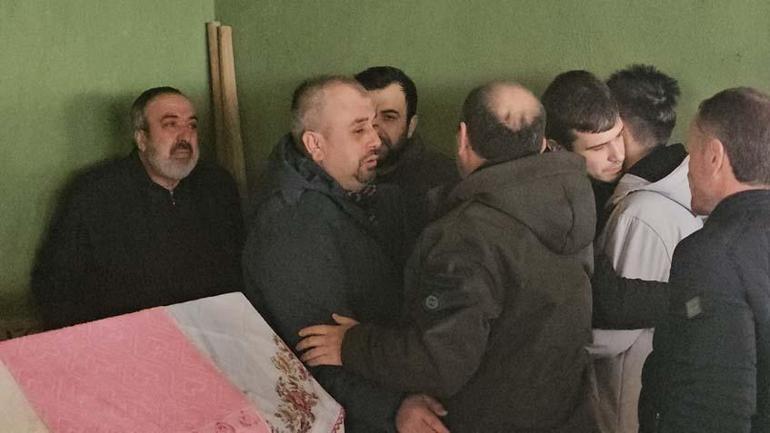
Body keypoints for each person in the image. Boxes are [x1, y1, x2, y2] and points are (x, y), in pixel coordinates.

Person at [297, 81, 599, 432]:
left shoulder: (468, 234)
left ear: (463, 138)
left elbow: (440, 361)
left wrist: (353, 345)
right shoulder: (572, 197)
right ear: (543, 141)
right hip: (566, 413)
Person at [241, 75, 448, 433]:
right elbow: (313, 355)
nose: (375, 140)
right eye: (358, 130)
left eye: (374, 125)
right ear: (315, 145)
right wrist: (394, 409)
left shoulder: (356, 191)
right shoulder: (292, 224)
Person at [32, 86, 244, 329]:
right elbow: (55, 286)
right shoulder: (94, 194)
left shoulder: (217, 185)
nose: (185, 137)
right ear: (141, 139)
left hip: (208, 331)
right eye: (171, 125)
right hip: (123, 337)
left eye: (192, 125)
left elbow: (237, 272)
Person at [641, 87, 770, 433]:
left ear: (714, 156)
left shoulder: (711, 255)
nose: (686, 171)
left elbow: (711, 407)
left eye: (691, 154)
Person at [590, 65, 703, 433]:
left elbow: (614, 333)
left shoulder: (642, 213)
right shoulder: (678, 189)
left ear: (618, 126)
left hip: (628, 403)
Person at [355, 66, 458, 237]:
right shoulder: (329, 172)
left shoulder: (442, 183)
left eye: (389, 117)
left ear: (411, 126)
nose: (373, 129)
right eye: (362, 117)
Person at [541, 70, 625, 233]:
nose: (618, 156)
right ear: (557, 148)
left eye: (619, 135)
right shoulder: (555, 211)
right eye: (598, 148)